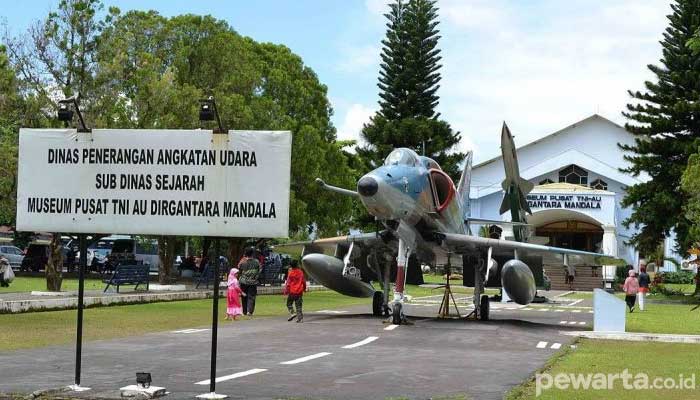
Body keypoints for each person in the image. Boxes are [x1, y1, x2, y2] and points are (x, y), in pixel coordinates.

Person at [238, 247, 261, 316]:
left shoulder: (243, 261)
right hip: (253, 282)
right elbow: (259, 270)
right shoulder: (256, 261)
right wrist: (256, 276)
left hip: (243, 281)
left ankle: (244, 311)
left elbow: (239, 267)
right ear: (252, 253)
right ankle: (249, 311)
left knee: (243, 296)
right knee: (251, 296)